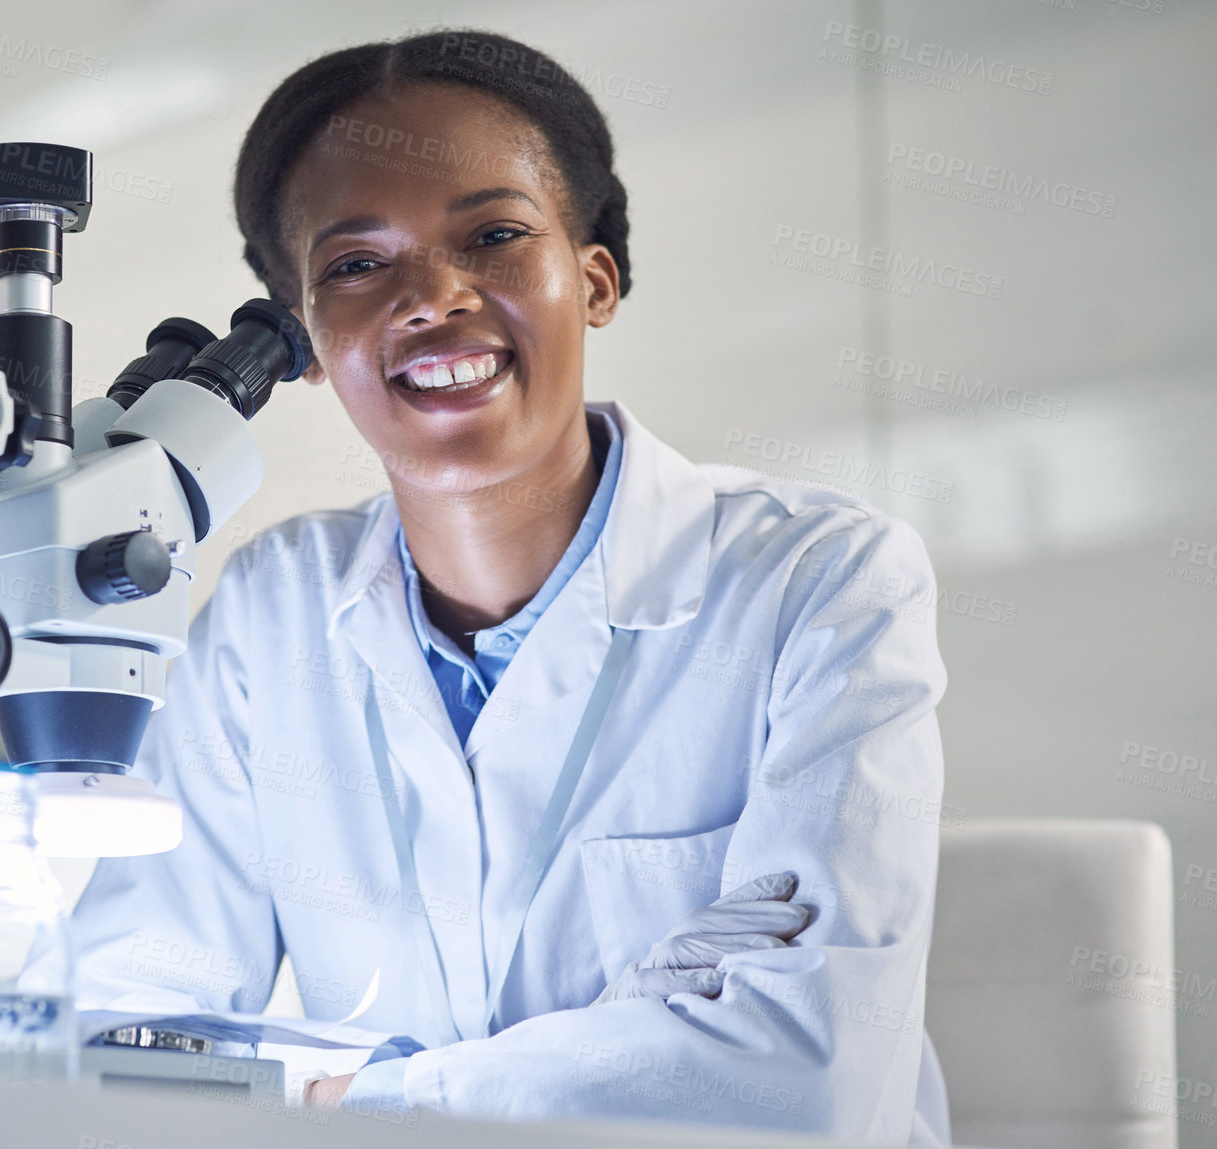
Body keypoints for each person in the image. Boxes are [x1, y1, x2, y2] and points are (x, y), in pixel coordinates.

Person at [68, 28, 951, 1146]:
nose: (431, 297)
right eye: (354, 265)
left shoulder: (815, 579)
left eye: (492, 236)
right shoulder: (269, 610)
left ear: (593, 281)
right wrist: (643, 1030)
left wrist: (358, 1101)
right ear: (302, 340)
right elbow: (129, 1028)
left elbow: (800, 1076)